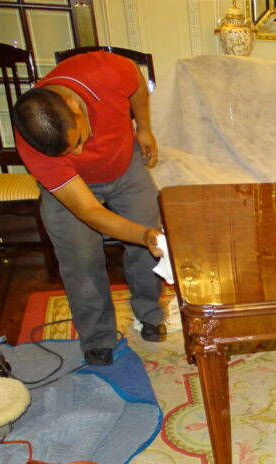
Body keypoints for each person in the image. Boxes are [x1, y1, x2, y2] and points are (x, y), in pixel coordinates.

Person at [13, 50, 166, 367]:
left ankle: (149, 314)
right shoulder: (31, 138)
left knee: (146, 251)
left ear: (73, 105)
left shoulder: (105, 71)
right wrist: (144, 233)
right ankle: (98, 338)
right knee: (81, 261)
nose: (82, 151)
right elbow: (88, 211)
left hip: (126, 168)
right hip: (73, 190)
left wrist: (143, 127)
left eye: (79, 138)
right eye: (72, 150)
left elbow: (138, 83)